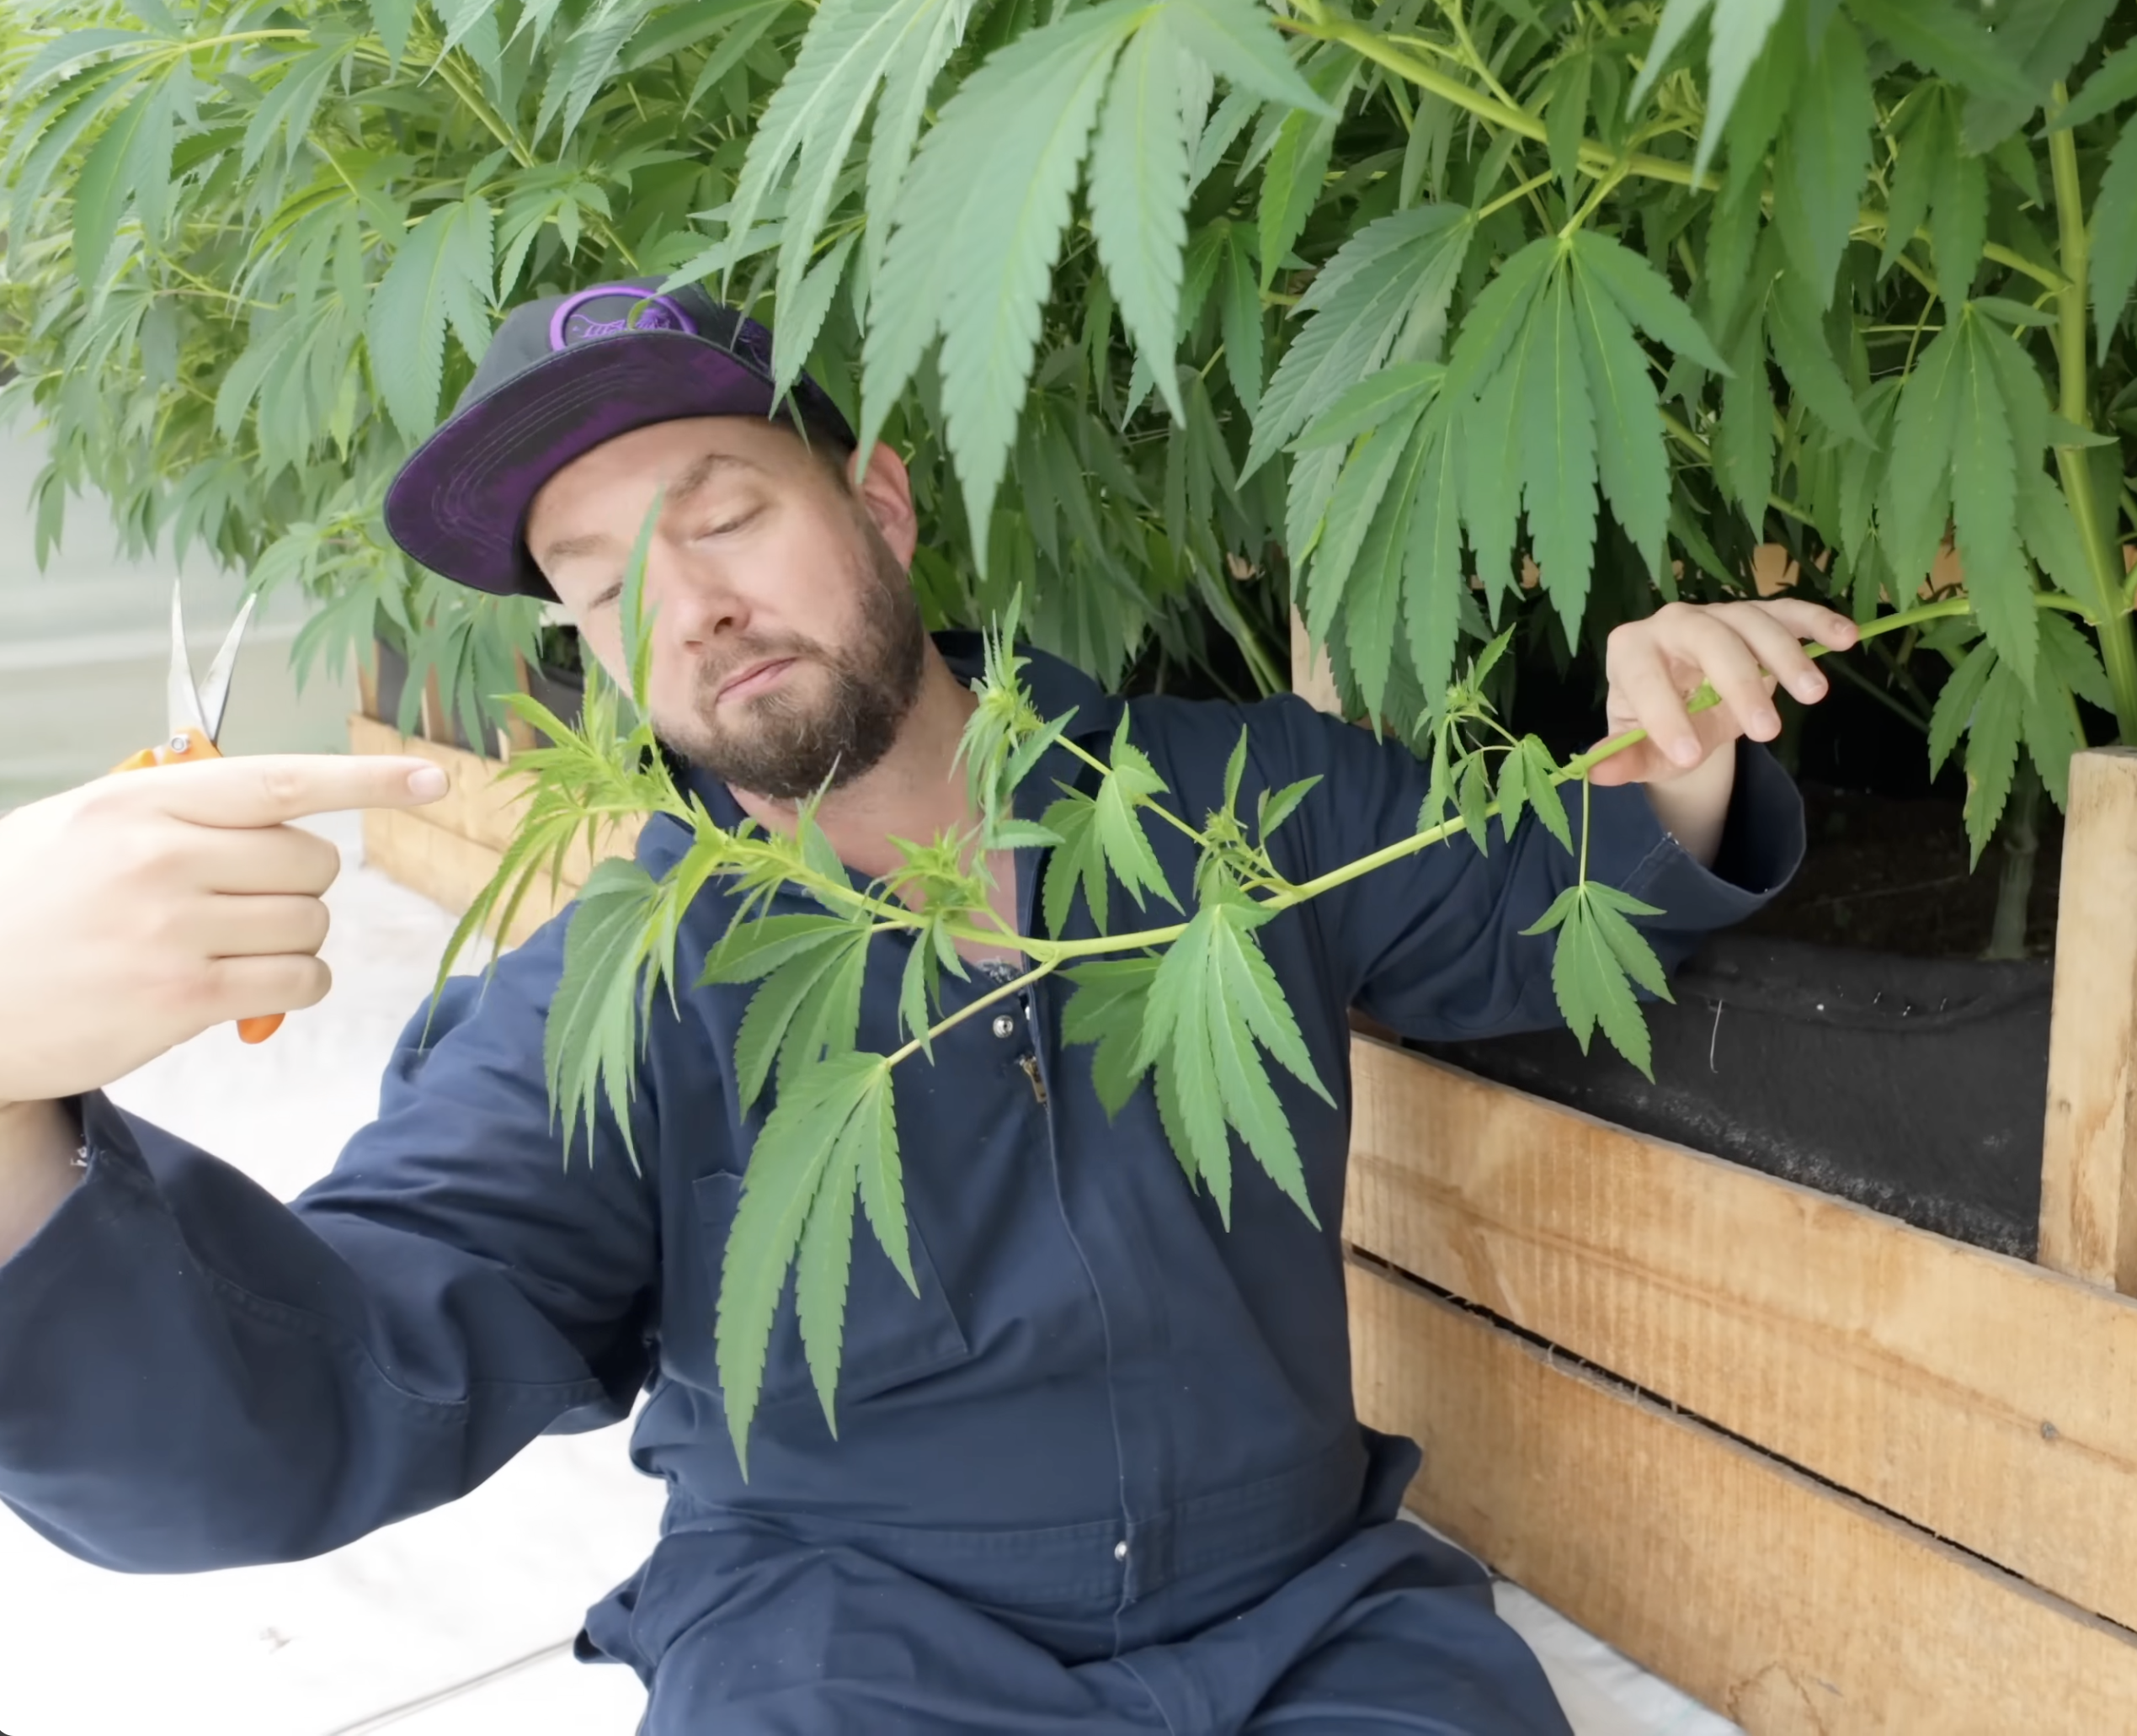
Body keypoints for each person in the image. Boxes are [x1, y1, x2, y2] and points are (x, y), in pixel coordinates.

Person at [0, 282, 1852, 1732]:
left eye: (724, 516)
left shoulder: (1230, 804)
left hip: (1300, 1621)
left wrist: (1665, 759)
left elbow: (1535, 911)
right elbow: (330, 1378)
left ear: (879, 501)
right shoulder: (630, 989)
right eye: (600, 586)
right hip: (851, 1651)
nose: (692, 609)